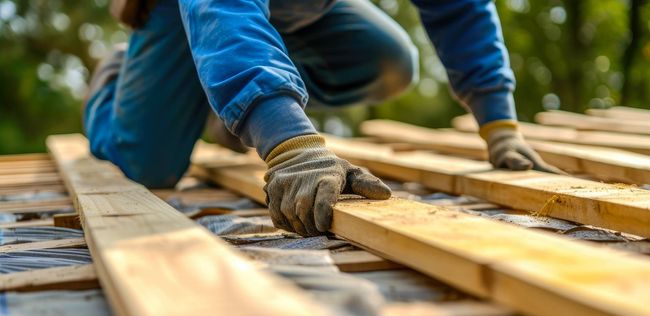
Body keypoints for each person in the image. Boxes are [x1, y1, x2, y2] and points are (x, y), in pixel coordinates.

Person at [84, 0, 560, 237]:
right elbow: (223, 7)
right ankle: (116, 77)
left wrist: (499, 123)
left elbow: (461, 8)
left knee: (389, 60)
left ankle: (223, 101)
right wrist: (289, 143)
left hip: (303, 12)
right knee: (148, 164)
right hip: (184, 7)